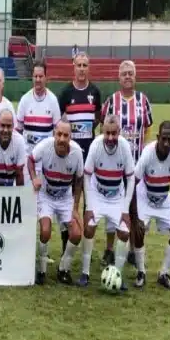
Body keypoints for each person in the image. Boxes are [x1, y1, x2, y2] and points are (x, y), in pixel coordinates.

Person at [130, 121, 170, 290]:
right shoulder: (147, 153)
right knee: (139, 231)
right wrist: (135, 218)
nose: (166, 143)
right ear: (158, 137)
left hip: (164, 199)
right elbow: (133, 184)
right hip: (145, 195)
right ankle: (141, 272)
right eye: (163, 139)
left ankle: (164, 274)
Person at [100, 59, 153, 267]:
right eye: (124, 73)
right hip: (114, 165)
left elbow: (147, 127)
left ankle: (132, 249)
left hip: (137, 166)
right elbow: (104, 127)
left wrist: (142, 150)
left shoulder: (143, 100)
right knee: (113, 205)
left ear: (135, 76)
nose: (128, 76)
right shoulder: (112, 101)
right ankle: (109, 249)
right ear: (119, 77)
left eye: (131, 73)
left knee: (134, 208)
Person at [77, 115, 136, 290]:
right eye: (107, 133)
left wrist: (125, 210)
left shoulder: (125, 146)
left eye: (114, 134)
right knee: (89, 227)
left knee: (124, 232)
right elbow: (87, 175)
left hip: (117, 196)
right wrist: (88, 206)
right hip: (97, 193)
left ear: (119, 132)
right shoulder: (96, 145)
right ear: (102, 131)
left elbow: (131, 179)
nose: (110, 138)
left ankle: (117, 274)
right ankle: (85, 273)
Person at [28, 119, 84, 285]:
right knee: (45, 230)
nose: (61, 138)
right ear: (54, 134)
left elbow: (79, 180)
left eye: (65, 135)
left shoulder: (77, 153)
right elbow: (30, 160)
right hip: (46, 195)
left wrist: (75, 208)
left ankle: (63, 269)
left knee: (76, 234)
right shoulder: (45, 146)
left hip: (66, 197)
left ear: (70, 137)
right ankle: (42, 270)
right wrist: (34, 178)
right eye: (59, 134)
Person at [58, 52, 100, 258]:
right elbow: (60, 125)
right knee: (68, 199)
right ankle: (67, 241)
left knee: (87, 201)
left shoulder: (95, 92)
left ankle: (85, 245)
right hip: (70, 158)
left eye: (85, 65)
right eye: (78, 65)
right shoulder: (66, 93)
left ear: (88, 67)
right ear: (73, 67)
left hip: (89, 158)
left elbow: (97, 119)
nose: (82, 69)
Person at [16, 59, 61, 185]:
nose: (38, 79)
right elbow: (17, 132)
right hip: (27, 159)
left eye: (41, 76)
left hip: (45, 161)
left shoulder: (53, 100)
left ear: (46, 78)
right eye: (35, 76)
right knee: (27, 198)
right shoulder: (24, 100)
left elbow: (57, 132)